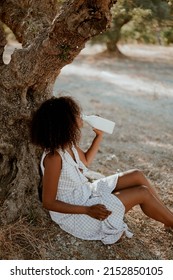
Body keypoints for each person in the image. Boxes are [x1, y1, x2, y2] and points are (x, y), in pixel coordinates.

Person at [31, 96, 173, 245]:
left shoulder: (68, 145)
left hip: (86, 193)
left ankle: (168, 218)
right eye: (76, 114)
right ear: (65, 123)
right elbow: (48, 202)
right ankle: (170, 220)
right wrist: (87, 210)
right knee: (142, 192)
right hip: (76, 212)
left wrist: (99, 135)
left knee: (137, 175)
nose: (81, 117)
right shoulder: (54, 157)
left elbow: (85, 161)